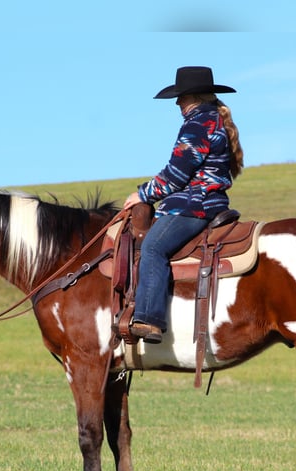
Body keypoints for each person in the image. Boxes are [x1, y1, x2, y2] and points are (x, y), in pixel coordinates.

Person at [123, 66, 244, 343]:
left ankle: (150, 320)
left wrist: (143, 195)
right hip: (208, 201)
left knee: (153, 247)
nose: (178, 103)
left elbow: (176, 174)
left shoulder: (198, 124)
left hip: (194, 205)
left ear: (196, 98)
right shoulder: (213, 120)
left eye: (182, 97)